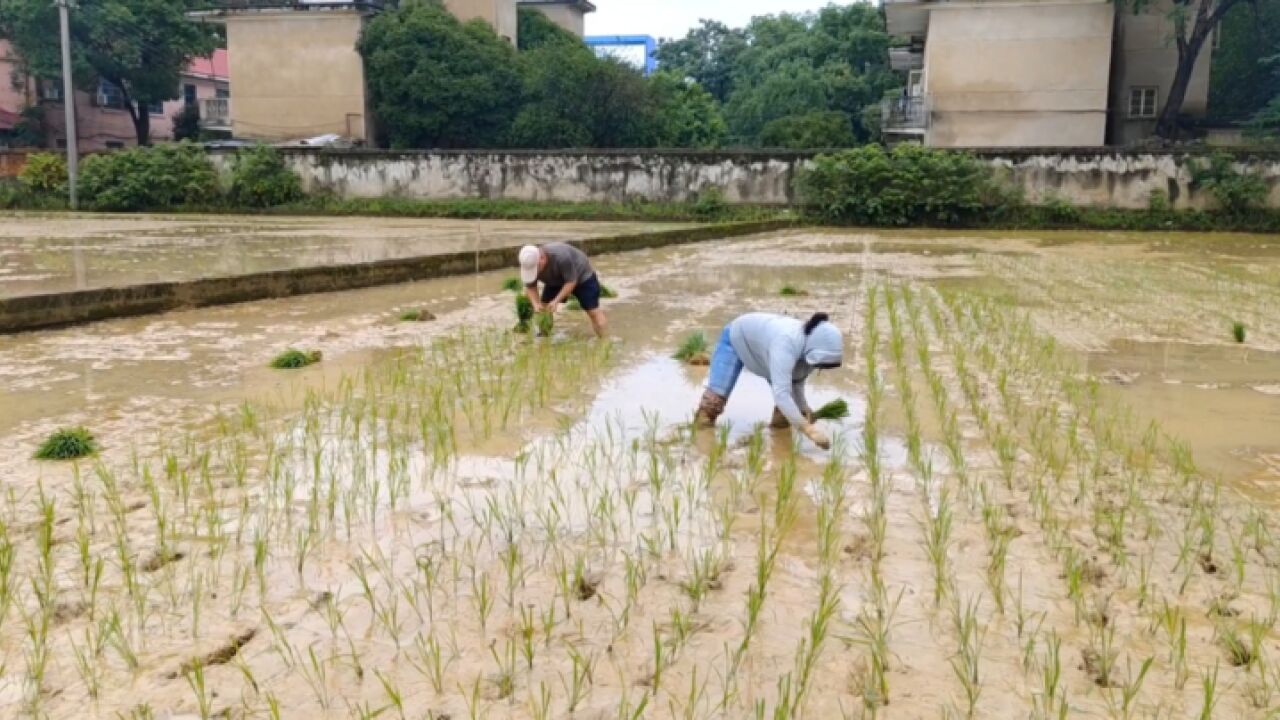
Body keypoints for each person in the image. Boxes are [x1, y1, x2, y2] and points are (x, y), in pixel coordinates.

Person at [694, 312, 844, 450]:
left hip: (767, 348)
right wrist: (808, 429)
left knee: (786, 413)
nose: (819, 368)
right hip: (737, 337)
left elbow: (797, 382)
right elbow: (781, 394)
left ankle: (779, 442)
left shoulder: (808, 352)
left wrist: (803, 409)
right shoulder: (785, 343)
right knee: (713, 403)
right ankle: (700, 445)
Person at [518, 243, 608, 338]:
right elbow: (530, 286)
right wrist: (536, 304)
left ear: (542, 258)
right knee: (544, 309)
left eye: (536, 269)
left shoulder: (561, 256)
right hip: (555, 280)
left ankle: (605, 341)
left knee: (593, 312)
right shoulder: (528, 264)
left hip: (582, 277)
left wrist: (556, 301)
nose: (535, 273)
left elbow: (571, 282)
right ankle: (544, 337)